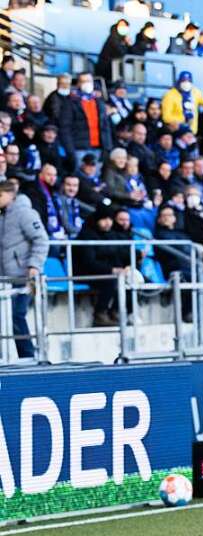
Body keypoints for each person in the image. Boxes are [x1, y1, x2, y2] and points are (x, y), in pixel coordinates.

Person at [0, 179, 48, 357]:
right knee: (7, 318)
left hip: (25, 277)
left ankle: (28, 356)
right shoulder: (2, 215)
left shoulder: (25, 214)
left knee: (17, 315)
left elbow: (41, 240)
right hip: (6, 279)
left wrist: (34, 265)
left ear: (11, 195)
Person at [59, 73, 112, 169]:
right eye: (83, 81)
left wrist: (107, 147)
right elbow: (65, 128)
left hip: (98, 149)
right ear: (78, 84)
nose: (87, 84)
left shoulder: (99, 101)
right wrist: (70, 150)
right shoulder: (70, 102)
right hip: (79, 149)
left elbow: (105, 125)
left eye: (89, 81)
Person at [96, 20, 130, 84]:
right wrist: (126, 44)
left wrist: (128, 44)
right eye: (121, 25)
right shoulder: (113, 38)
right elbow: (121, 52)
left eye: (125, 26)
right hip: (106, 68)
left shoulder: (123, 39)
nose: (123, 28)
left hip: (114, 70)